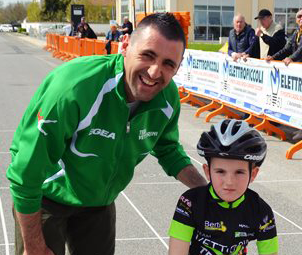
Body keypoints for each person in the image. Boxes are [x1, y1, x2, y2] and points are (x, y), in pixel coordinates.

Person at [7, 12, 207, 255]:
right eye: (148, 55)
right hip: (46, 198)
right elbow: (25, 173)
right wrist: (34, 246)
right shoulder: (73, 88)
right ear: (124, 45)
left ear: (178, 67)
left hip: (98, 203)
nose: (155, 72)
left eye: (168, 64)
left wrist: (206, 192)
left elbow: (167, 149)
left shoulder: (167, 98)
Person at [168, 119, 279, 255]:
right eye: (220, 171)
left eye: (239, 172)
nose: (229, 182)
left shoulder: (261, 211)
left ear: (253, 174)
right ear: (208, 172)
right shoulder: (190, 203)